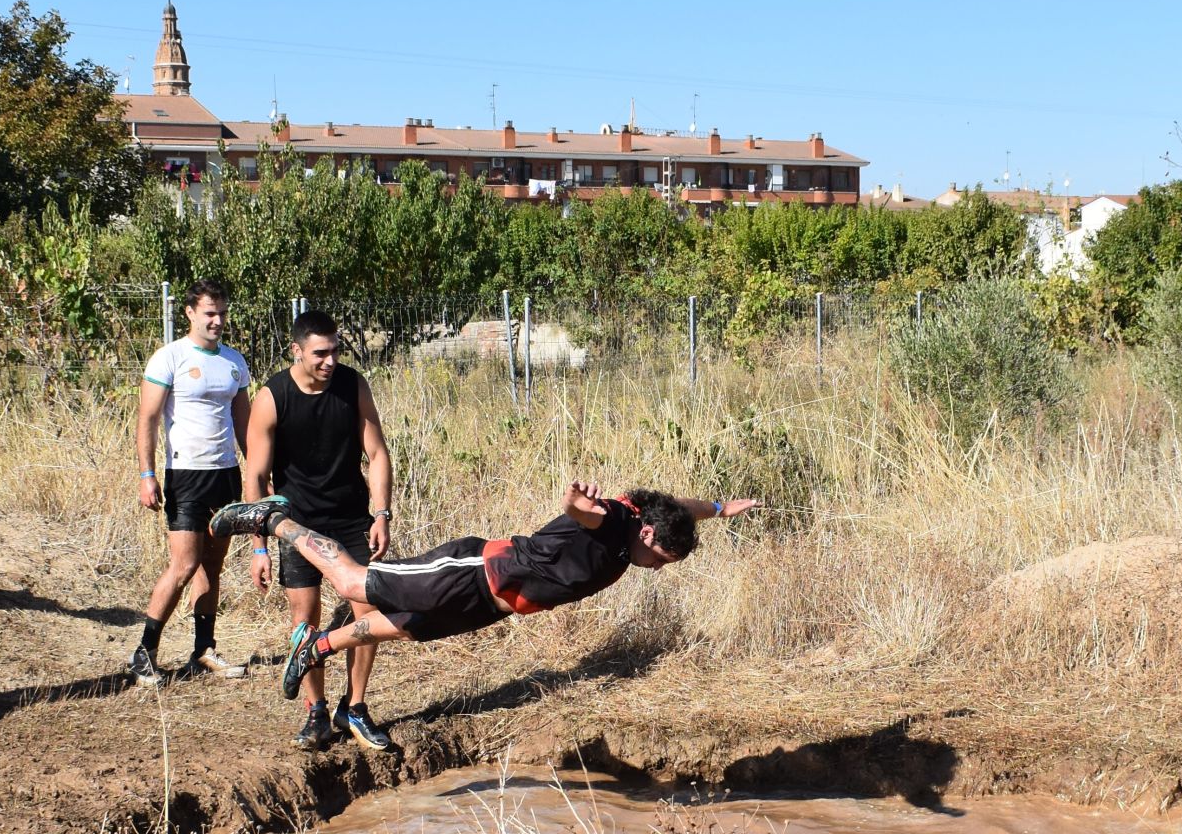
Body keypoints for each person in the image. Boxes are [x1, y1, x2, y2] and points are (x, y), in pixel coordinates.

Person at [212, 483, 760, 706]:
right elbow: (580, 513)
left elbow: (676, 507)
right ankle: (274, 520)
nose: (657, 569)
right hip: (473, 572)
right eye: (660, 559)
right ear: (646, 536)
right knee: (354, 583)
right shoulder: (614, 521)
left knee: (407, 626)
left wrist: (716, 509)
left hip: (495, 604)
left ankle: (319, 645)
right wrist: (575, 504)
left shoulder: (650, 520)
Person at [243, 309, 394, 752]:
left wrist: (381, 513)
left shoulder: (352, 385)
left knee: (368, 614)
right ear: (296, 351)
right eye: (320, 354)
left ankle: (355, 707)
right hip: (297, 524)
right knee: (304, 619)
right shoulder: (272, 397)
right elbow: (255, 478)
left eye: (336, 352)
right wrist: (258, 546)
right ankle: (317, 712)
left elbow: (378, 453)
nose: (330, 362)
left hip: (351, 518)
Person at [130, 280, 254, 686]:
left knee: (212, 569)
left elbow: (244, 424)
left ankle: (203, 651)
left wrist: (258, 471)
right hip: (185, 476)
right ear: (189, 313)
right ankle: (144, 652)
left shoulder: (234, 361)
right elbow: (147, 419)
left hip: (226, 476)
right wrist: (147, 474)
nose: (217, 320)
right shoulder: (169, 357)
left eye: (221, 312)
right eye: (209, 313)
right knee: (184, 565)